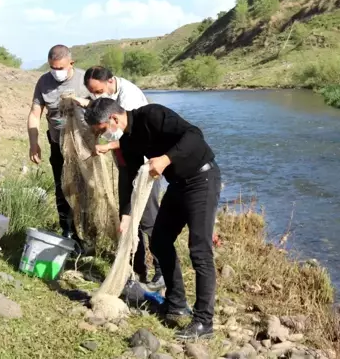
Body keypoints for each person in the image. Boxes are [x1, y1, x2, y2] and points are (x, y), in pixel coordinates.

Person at [83, 98, 221, 340]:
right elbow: (133, 180)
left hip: (202, 179)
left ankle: (203, 321)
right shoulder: (128, 140)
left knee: (199, 251)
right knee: (159, 242)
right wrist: (126, 215)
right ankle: (176, 303)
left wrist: (166, 159)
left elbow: (194, 135)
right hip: (177, 185)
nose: (103, 136)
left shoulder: (153, 115)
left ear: (114, 119)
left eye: (102, 130)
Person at [72, 66, 164, 290]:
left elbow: (131, 136)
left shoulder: (129, 97)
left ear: (111, 82)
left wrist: (107, 145)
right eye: (92, 92)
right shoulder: (107, 96)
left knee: (149, 220)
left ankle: (163, 272)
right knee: (129, 218)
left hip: (145, 167)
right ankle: (137, 268)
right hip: (126, 164)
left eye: (99, 90)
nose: (97, 96)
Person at [27, 44, 91, 249]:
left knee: (85, 189)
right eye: (53, 67)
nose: (57, 72)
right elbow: (35, 114)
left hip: (83, 145)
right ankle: (68, 231)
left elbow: (102, 106)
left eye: (61, 67)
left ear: (71, 63)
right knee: (62, 188)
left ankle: (88, 234)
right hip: (57, 144)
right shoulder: (43, 82)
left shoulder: (85, 80)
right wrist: (33, 143)